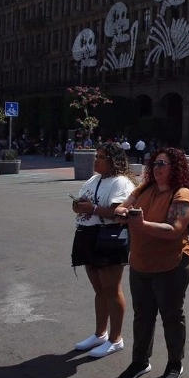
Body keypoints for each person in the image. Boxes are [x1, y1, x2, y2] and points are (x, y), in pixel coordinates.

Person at [112, 148, 189, 378]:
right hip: (140, 262)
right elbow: (122, 206)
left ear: (176, 167)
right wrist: (122, 211)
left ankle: (174, 364)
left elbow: (174, 230)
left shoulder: (182, 195)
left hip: (172, 264)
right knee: (143, 316)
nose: (157, 168)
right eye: (154, 163)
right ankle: (140, 362)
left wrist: (140, 223)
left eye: (163, 164)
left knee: (171, 316)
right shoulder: (144, 188)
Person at [70, 142, 137, 359]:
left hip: (109, 238)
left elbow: (120, 213)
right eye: (96, 156)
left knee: (111, 289)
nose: (95, 160)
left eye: (101, 157)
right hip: (87, 236)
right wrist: (77, 206)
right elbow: (82, 203)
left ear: (113, 160)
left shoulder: (121, 183)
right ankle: (100, 334)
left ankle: (115, 339)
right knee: (99, 289)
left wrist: (94, 209)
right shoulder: (94, 179)